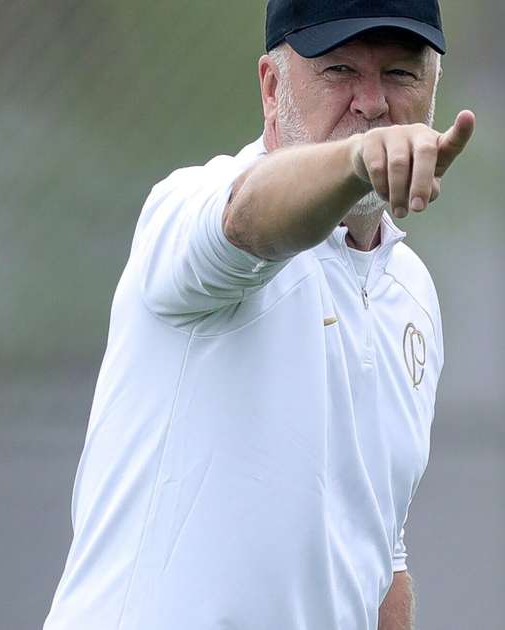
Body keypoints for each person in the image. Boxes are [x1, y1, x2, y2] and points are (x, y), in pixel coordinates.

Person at [43, 1, 474, 628]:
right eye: (339, 70)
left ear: (433, 89)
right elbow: (246, 217)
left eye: (401, 74)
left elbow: (379, 559)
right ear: (273, 89)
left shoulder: (411, 292)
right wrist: (356, 163)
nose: (372, 102)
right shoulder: (192, 207)